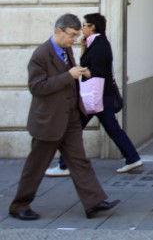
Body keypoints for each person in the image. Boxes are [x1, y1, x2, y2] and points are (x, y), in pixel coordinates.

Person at [9, 14, 120, 221]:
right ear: (59, 31)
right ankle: (19, 205)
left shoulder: (66, 49)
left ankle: (93, 202)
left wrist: (81, 73)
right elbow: (37, 87)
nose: (75, 40)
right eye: (72, 35)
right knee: (36, 165)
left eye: (78, 35)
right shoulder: (41, 55)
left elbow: (68, 77)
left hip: (70, 117)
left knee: (79, 161)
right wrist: (68, 76)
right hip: (48, 120)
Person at [45, 13, 143, 177]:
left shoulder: (99, 45)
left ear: (93, 27)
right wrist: (83, 49)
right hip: (100, 97)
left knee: (74, 129)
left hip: (97, 97)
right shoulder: (95, 43)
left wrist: (77, 72)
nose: (82, 28)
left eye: (84, 25)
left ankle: (64, 165)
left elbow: (97, 72)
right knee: (111, 129)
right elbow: (86, 62)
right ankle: (132, 158)